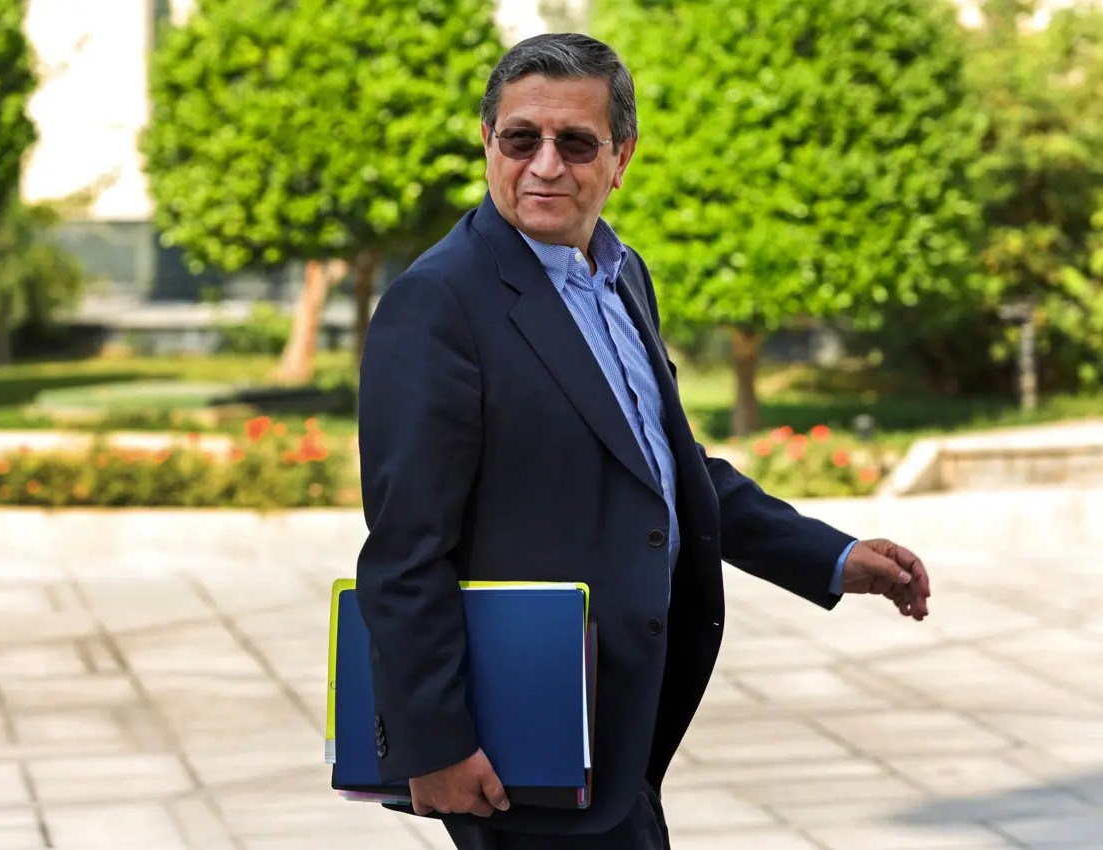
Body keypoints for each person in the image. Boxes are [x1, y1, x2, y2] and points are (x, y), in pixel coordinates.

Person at [354, 32, 931, 850]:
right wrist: (435, 742)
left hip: (622, 724)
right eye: (520, 139)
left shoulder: (621, 273)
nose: (545, 165)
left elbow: (666, 468)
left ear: (620, 157)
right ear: (488, 143)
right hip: (518, 729)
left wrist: (831, 557)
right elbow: (404, 549)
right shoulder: (438, 303)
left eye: (575, 143)